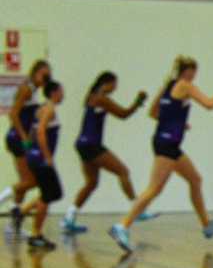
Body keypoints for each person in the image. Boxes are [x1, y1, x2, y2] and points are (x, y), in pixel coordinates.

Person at [109, 56, 213, 253]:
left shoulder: (167, 86)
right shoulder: (186, 85)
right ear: (187, 72)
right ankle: (122, 226)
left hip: (168, 143)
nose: (195, 76)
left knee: (195, 179)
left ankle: (206, 224)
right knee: (154, 188)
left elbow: (153, 113)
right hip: (167, 144)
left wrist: (178, 123)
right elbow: (210, 104)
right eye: (194, 72)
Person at [62, 72, 155, 234]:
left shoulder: (91, 96)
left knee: (91, 183)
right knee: (123, 171)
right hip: (93, 145)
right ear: (107, 83)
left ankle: (69, 218)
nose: (116, 88)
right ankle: (137, 209)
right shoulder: (101, 98)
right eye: (115, 84)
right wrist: (139, 101)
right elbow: (123, 114)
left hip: (82, 144)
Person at [0, 60, 52, 226]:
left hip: (21, 139)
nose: (46, 78)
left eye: (48, 75)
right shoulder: (26, 89)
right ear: (35, 73)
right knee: (30, 181)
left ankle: (16, 208)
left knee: (25, 180)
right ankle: (5, 202)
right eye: (44, 75)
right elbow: (13, 114)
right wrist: (24, 138)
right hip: (17, 139)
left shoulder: (34, 90)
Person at [18, 79, 65, 250]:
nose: (63, 94)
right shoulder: (49, 108)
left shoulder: (41, 108)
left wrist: (30, 151)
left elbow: (32, 131)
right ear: (54, 92)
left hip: (34, 156)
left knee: (52, 193)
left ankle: (22, 212)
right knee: (50, 194)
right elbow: (40, 132)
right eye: (61, 91)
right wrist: (47, 157)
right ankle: (36, 234)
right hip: (41, 159)